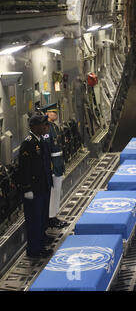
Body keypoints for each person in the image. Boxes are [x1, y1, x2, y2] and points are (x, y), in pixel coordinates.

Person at [18, 115, 54, 258]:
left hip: (43, 187)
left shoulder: (41, 141)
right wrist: (27, 188)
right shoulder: (28, 144)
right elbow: (24, 169)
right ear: (33, 127)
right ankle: (34, 249)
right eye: (42, 124)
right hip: (34, 190)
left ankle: (41, 241)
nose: (44, 126)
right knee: (34, 220)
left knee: (42, 217)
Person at [41, 103, 69, 229]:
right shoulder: (47, 128)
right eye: (53, 112)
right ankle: (51, 218)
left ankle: (54, 215)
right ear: (47, 114)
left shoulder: (54, 127)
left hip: (58, 162)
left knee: (57, 191)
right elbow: (47, 148)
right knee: (53, 192)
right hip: (53, 164)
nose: (56, 115)